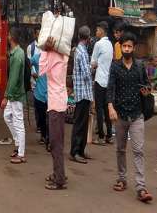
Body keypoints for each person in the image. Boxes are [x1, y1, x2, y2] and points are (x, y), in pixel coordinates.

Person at [107, 32, 153, 203]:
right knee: (120, 149)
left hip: (137, 114)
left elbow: (147, 85)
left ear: (134, 48)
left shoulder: (140, 66)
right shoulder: (115, 67)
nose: (126, 49)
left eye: (129, 46)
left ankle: (141, 187)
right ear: (121, 48)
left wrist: (146, 90)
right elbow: (110, 88)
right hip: (119, 115)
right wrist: (110, 107)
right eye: (124, 46)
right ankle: (122, 178)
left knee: (138, 150)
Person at [40, 35, 69, 190]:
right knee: (58, 141)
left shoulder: (52, 55)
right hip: (60, 101)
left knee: (55, 143)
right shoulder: (63, 54)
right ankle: (59, 173)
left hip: (55, 104)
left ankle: (59, 180)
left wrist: (45, 51)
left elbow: (41, 70)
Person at [2, 28, 27, 164]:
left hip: (15, 95)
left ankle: (21, 153)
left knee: (18, 123)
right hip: (15, 94)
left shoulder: (17, 56)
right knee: (7, 117)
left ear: (11, 37)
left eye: (9, 35)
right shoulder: (17, 53)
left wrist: (6, 96)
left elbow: (13, 78)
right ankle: (18, 145)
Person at [70, 26, 93, 164]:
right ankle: (75, 151)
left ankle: (80, 150)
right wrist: (92, 67)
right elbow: (86, 74)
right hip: (83, 92)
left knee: (82, 123)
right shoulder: (82, 52)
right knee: (80, 124)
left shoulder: (80, 50)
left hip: (83, 92)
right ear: (88, 37)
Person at [91, 21, 114, 145]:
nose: (96, 32)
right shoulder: (110, 44)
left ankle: (100, 136)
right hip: (108, 80)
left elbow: (93, 63)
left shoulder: (98, 44)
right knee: (106, 108)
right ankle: (109, 135)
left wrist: (92, 67)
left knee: (99, 109)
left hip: (99, 79)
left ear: (102, 31)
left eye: (97, 30)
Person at [31, 46, 49, 148]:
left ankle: (46, 137)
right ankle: (44, 136)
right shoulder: (37, 57)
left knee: (46, 117)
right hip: (41, 93)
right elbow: (28, 63)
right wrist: (32, 73)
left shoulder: (51, 59)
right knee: (43, 117)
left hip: (48, 93)